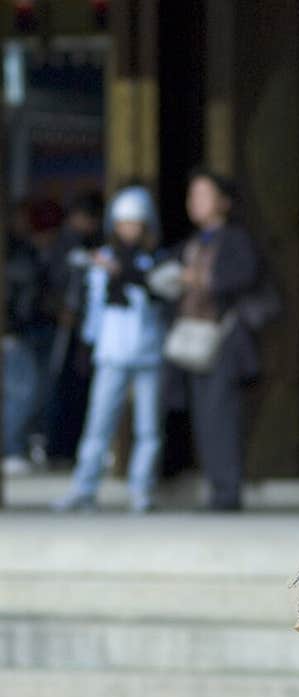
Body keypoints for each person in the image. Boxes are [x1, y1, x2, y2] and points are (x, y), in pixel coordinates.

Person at [53, 186, 169, 513]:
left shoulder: (154, 260)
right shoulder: (103, 260)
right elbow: (94, 309)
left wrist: (129, 275)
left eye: (135, 223)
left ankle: (141, 489)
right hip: (112, 352)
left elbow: (160, 292)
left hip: (147, 351)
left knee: (148, 428)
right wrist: (88, 346)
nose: (129, 229)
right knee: (98, 424)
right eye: (123, 223)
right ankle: (84, 486)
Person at [166, 169, 262, 511]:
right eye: (193, 195)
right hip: (194, 338)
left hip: (222, 337)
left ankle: (227, 491)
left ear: (224, 201)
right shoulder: (193, 242)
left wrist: (202, 278)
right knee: (204, 417)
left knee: (222, 414)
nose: (196, 202)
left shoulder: (235, 238)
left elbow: (247, 274)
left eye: (204, 194)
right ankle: (216, 487)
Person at [44, 190, 105, 463]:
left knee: (79, 389)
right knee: (62, 388)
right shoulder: (63, 244)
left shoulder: (91, 243)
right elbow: (49, 284)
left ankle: (69, 447)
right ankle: (58, 448)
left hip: (85, 327)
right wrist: (60, 310)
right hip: (62, 327)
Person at [2, 218, 43, 476]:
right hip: (13, 333)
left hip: (15, 331)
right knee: (21, 392)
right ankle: (11, 449)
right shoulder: (19, 260)